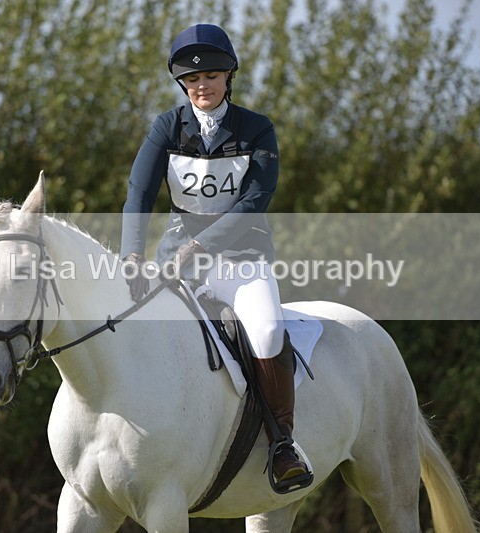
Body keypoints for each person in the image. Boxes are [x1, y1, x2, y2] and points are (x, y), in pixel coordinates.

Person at [120, 24, 310, 489]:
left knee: (266, 331)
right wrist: (130, 253)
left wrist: (200, 246)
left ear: (229, 77)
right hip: (176, 266)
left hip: (241, 262)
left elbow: (254, 200)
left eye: (211, 77)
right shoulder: (166, 127)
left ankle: (283, 443)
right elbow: (139, 193)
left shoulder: (256, 128)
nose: (201, 86)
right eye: (191, 80)